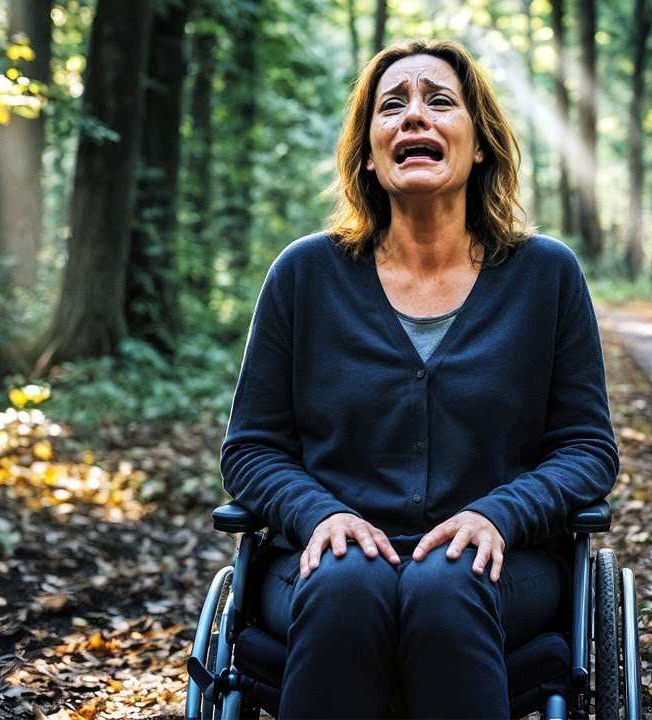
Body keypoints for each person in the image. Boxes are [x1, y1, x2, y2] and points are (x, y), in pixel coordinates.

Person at [220, 39, 619, 719]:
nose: (414, 117)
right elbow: (251, 449)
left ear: (481, 143)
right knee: (347, 581)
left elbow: (587, 449)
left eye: (439, 102)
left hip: (504, 565)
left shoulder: (545, 276)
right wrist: (323, 517)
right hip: (322, 563)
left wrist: (498, 516)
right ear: (370, 151)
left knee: (446, 583)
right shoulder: (304, 275)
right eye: (392, 107)